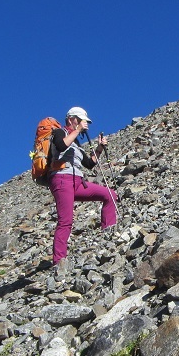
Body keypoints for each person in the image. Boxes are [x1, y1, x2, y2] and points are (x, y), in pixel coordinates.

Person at [48, 106, 118, 268]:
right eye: (80, 120)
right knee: (66, 220)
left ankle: (109, 233)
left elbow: (90, 164)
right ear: (71, 119)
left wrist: (100, 147)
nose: (83, 124)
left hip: (78, 181)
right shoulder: (60, 133)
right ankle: (59, 261)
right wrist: (78, 130)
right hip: (61, 179)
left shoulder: (77, 142)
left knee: (110, 195)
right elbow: (60, 146)